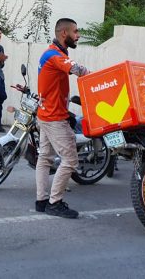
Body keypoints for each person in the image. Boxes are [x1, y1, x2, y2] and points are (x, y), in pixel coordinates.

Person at [35, 18, 90, 218]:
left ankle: (42, 200)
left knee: (45, 158)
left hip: (47, 114)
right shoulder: (55, 55)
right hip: (54, 117)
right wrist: (104, 80)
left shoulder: (52, 53)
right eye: (76, 31)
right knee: (70, 160)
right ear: (64, 33)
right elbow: (79, 70)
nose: (78, 35)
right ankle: (54, 203)